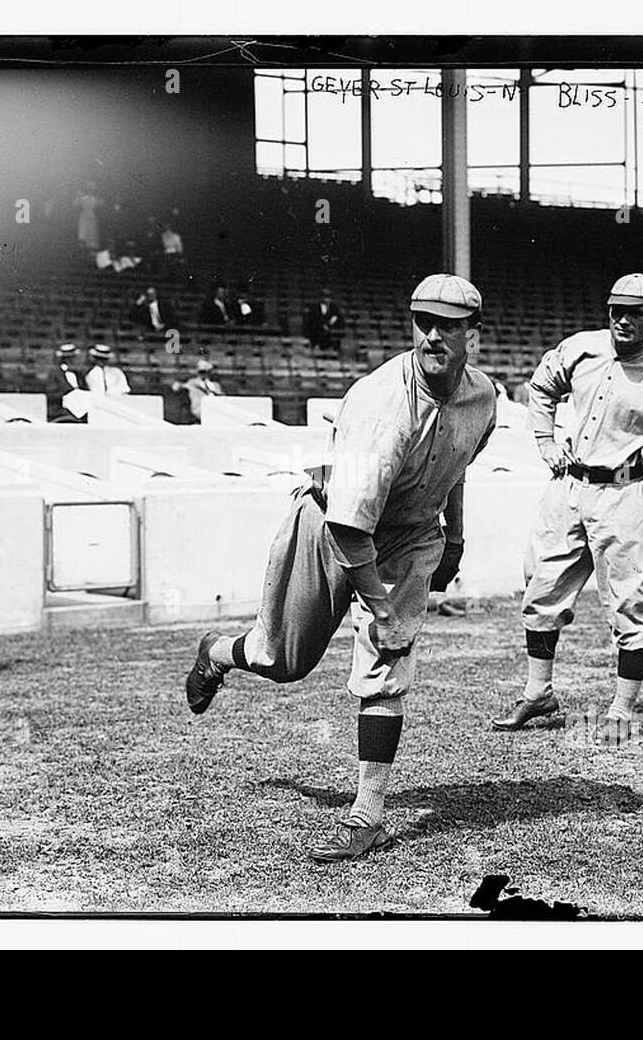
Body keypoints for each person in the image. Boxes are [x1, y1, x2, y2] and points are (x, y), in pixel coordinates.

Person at [183, 273, 496, 863]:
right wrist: (379, 607)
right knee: (283, 661)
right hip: (331, 527)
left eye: (447, 327)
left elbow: (458, 463)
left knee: (387, 666)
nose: (432, 337)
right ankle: (218, 651)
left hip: (408, 536)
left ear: (472, 336)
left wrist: (454, 537)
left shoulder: (483, 398)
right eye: (423, 323)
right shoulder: (382, 404)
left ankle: (367, 817)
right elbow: (349, 526)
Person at [493, 273, 643, 733]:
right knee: (541, 589)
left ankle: (622, 709)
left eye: (635, 313)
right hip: (570, 485)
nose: (622, 320)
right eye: (616, 310)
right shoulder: (582, 348)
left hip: (626, 495)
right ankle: (539, 694)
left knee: (629, 603)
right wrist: (545, 441)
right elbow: (540, 387)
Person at [46, 342, 85, 421]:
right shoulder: (55, 373)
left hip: (80, 411)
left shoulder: (78, 374)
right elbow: (51, 393)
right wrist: (69, 395)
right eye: (72, 358)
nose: (74, 360)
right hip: (60, 411)